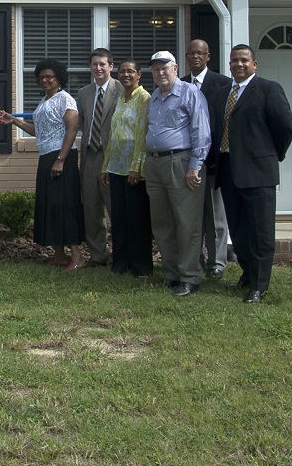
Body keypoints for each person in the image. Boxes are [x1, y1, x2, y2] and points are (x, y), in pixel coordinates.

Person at [211, 44, 292, 304]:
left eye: (244, 60)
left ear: (254, 64)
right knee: (239, 229)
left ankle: (259, 286)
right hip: (228, 171)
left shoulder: (269, 89)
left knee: (260, 231)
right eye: (234, 60)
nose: (238, 64)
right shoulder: (223, 92)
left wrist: (270, 155)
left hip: (259, 173)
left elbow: (285, 128)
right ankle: (247, 275)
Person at [0, 59, 87, 271]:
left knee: (65, 205)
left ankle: (77, 257)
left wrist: (61, 160)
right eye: (41, 77)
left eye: (49, 76)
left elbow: (72, 129)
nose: (45, 80)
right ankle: (59, 255)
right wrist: (15, 121)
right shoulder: (45, 101)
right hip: (47, 156)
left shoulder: (65, 99)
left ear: (59, 78)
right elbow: (40, 132)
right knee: (50, 205)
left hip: (62, 157)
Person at [145, 50, 210, 297]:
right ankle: (172, 273)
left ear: (175, 68)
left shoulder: (190, 93)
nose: (160, 73)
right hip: (155, 164)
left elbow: (201, 132)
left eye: (164, 68)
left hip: (180, 163)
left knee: (187, 222)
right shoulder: (154, 97)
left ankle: (190, 276)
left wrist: (195, 166)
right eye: (155, 69)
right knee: (162, 223)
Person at [183, 39, 233, 278]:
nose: (195, 57)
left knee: (215, 216)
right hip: (185, 163)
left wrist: (213, 158)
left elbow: (224, 125)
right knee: (192, 215)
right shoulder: (180, 84)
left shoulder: (222, 84)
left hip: (212, 162)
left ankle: (217, 262)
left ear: (208, 56)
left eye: (200, 53)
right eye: (191, 53)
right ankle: (196, 259)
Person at [98, 59, 153, 277]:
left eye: (130, 71)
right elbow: (113, 135)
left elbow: (142, 134)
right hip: (116, 168)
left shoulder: (144, 98)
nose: (125, 75)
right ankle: (121, 263)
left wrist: (136, 167)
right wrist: (105, 166)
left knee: (137, 219)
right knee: (119, 218)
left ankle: (141, 267)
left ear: (139, 74)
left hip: (134, 170)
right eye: (122, 72)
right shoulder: (120, 99)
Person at [76, 48, 120, 267]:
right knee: (92, 211)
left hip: (113, 158)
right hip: (90, 157)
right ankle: (98, 255)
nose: (99, 68)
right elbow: (82, 124)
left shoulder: (121, 90)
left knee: (116, 209)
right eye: (95, 64)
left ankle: (121, 254)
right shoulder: (84, 93)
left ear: (111, 66)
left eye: (103, 64)